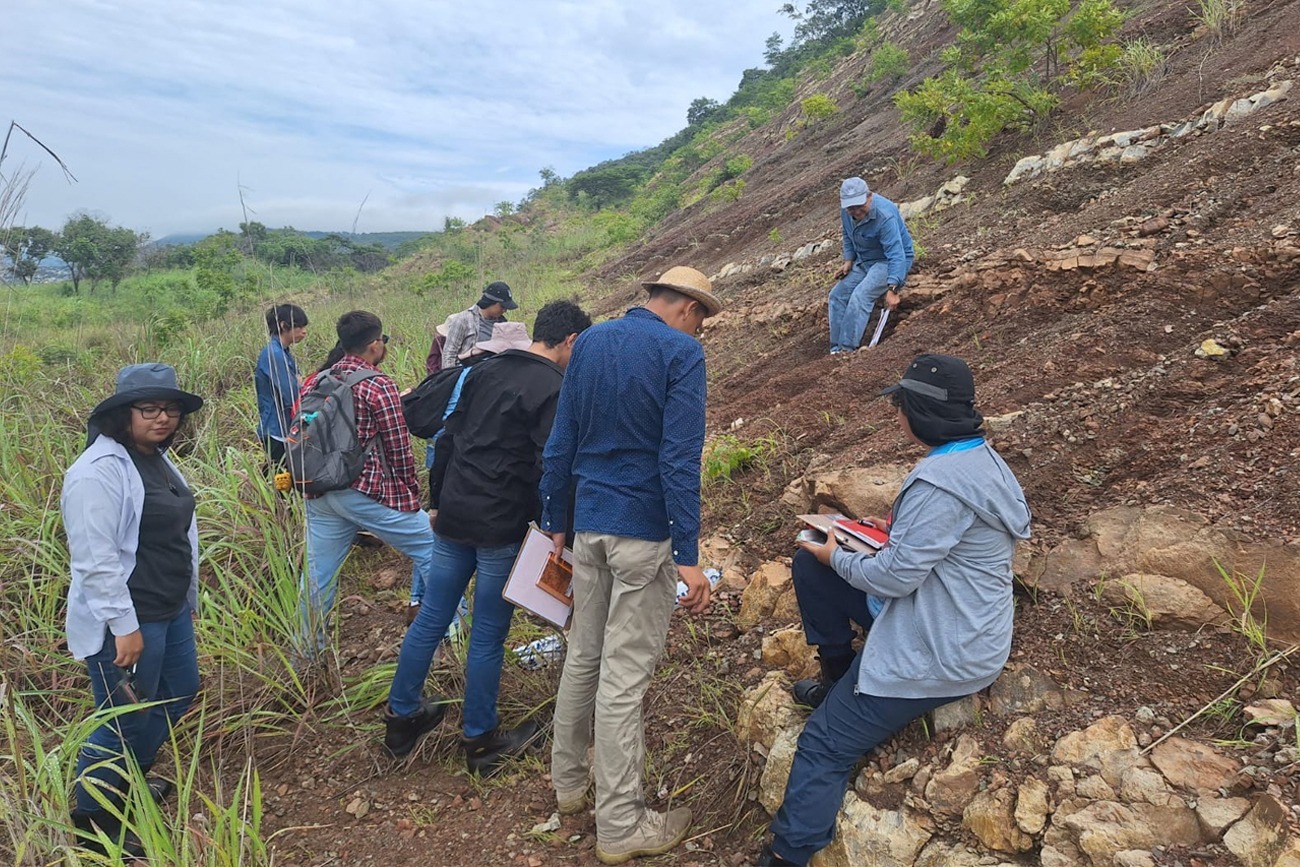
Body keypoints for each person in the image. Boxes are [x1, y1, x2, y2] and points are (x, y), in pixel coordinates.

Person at [755, 354, 1032, 867]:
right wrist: (881, 535)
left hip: (941, 648)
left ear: (919, 413)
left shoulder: (937, 483)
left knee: (823, 745)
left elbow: (894, 577)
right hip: (960, 621)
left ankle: (787, 855)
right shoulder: (978, 460)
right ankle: (838, 679)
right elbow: (931, 548)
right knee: (810, 568)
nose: (895, 417)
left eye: (899, 407)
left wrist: (837, 550)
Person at [539, 266, 720, 865]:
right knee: (623, 678)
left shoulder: (589, 341)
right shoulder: (681, 353)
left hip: (588, 526)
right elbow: (679, 457)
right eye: (702, 321)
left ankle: (569, 787)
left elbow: (562, 439)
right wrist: (689, 555)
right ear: (688, 309)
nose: (699, 331)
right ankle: (620, 825)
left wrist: (555, 518)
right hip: (642, 534)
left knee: (584, 653)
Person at [383, 300, 593, 771]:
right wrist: (563, 528)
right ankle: (479, 740)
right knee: (487, 634)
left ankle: (401, 718)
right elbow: (552, 465)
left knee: (432, 616)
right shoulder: (553, 388)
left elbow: (449, 440)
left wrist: (438, 502)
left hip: (455, 511)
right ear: (571, 341)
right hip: (499, 522)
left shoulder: (481, 370)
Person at [61, 363, 205, 858]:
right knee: (122, 717)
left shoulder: (157, 459)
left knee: (179, 690)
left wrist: (187, 601)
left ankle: (128, 781)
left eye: (170, 410)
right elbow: (95, 559)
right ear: (125, 415)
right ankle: (95, 821)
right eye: (150, 409)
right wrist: (124, 629)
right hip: (128, 620)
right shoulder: (96, 473)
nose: (163, 418)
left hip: (168, 607)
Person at [299, 311, 436, 653]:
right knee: (434, 548)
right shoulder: (377, 384)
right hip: (364, 489)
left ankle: (306, 654)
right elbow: (398, 446)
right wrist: (409, 494)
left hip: (320, 489)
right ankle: (450, 629)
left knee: (318, 577)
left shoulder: (319, 378)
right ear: (374, 344)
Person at [411, 319, 532, 625]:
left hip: (453, 479)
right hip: (490, 504)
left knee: (433, 608)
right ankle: (452, 621)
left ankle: (418, 599)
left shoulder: (469, 374)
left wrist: (436, 502)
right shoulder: (496, 382)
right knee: (489, 626)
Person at [827, 177, 915, 354]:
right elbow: (847, 234)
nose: (857, 212)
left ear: (869, 196)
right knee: (836, 296)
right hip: (865, 260)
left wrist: (893, 288)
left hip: (887, 262)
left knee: (860, 296)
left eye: (861, 206)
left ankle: (846, 350)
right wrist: (848, 260)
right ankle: (835, 349)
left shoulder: (885, 215)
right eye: (852, 208)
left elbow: (896, 253)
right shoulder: (847, 212)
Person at [255, 303, 308, 467]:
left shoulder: (283, 351)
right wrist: (300, 384)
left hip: (283, 427)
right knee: (282, 481)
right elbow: (292, 394)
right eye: (299, 327)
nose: (304, 331)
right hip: (277, 430)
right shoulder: (274, 354)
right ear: (284, 326)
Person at [441, 281, 518, 370]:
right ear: (492, 303)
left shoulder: (502, 323)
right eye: (502, 307)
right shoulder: (463, 320)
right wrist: (451, 378)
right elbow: (449, 353)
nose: (505, 310)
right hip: (468, 373)